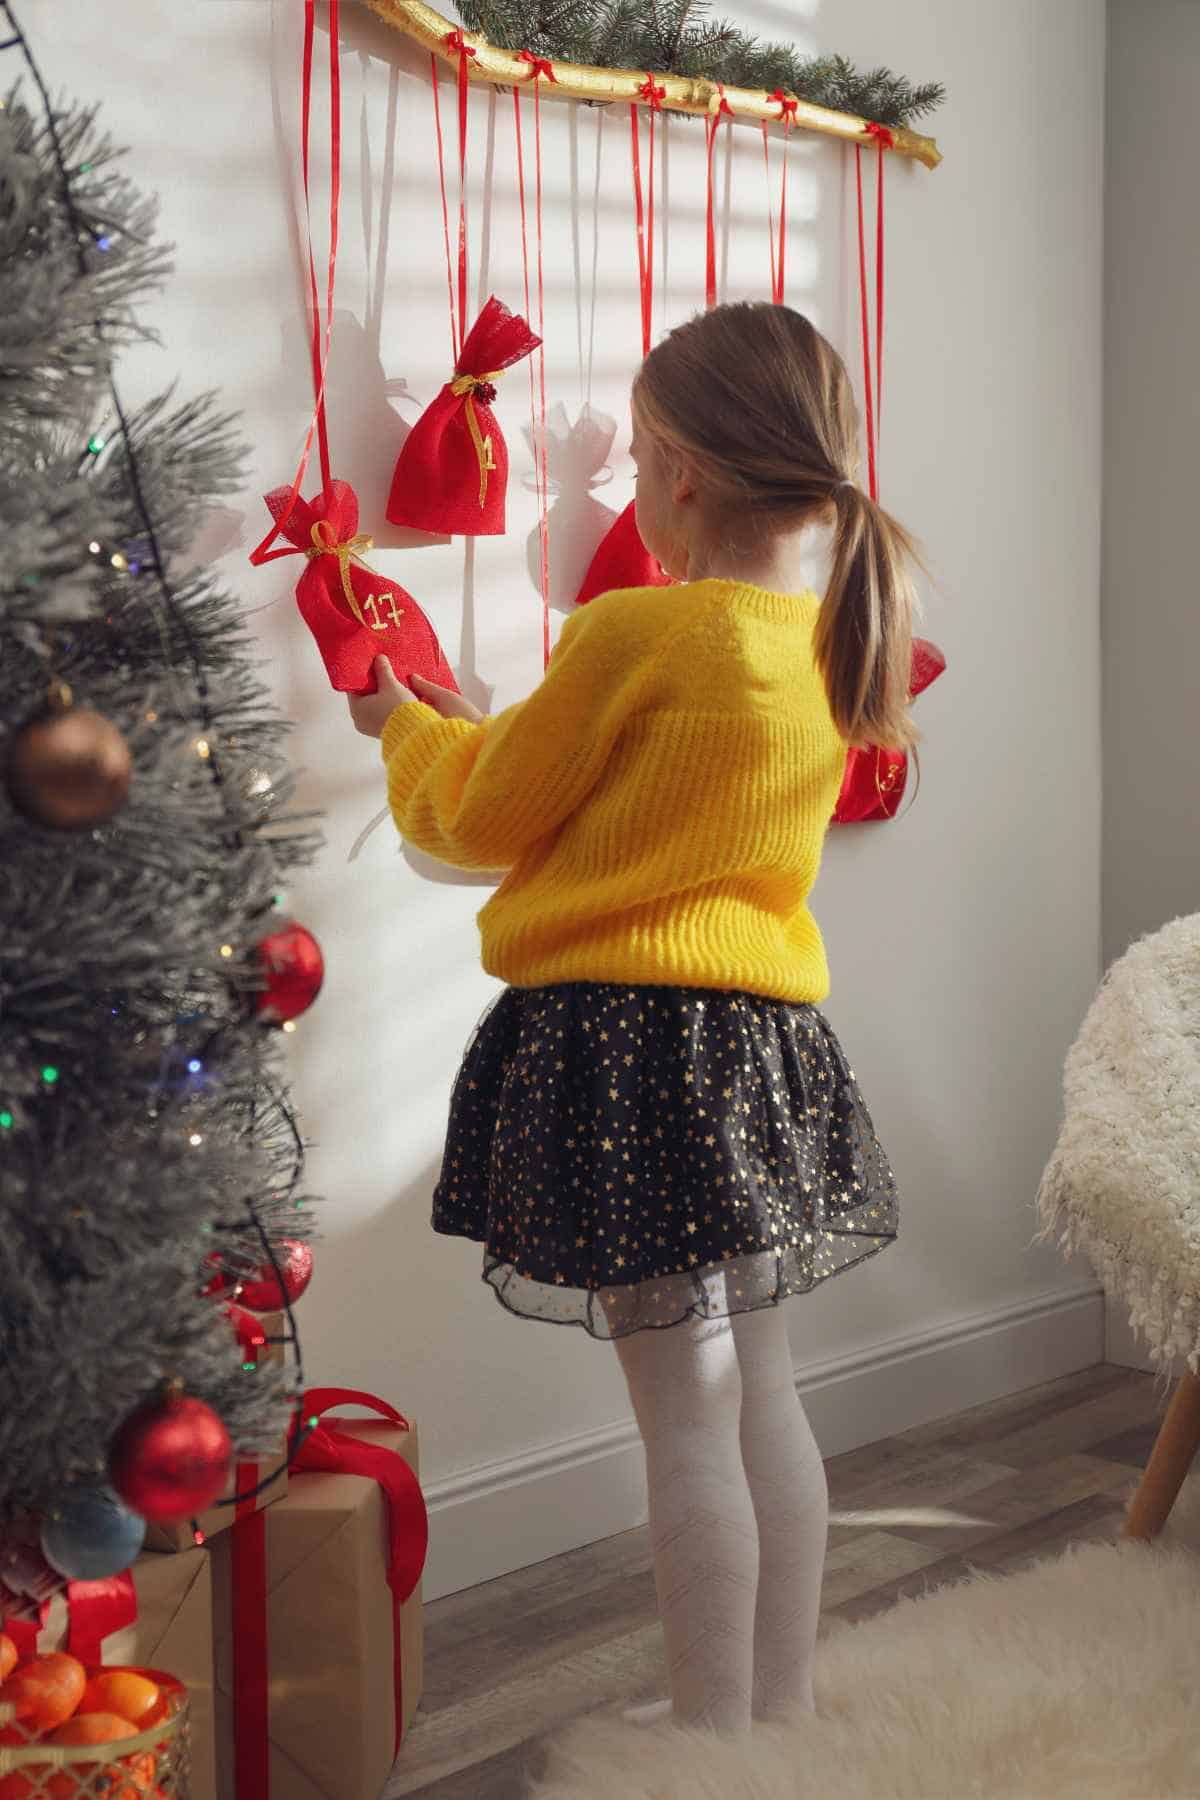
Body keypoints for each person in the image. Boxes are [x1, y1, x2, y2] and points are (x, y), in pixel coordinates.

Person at [349, 301, 920, 1736]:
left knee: (680, 1416)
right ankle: (778, 1707)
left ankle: (708, 1735)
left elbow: (484, 812)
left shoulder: (636, 632)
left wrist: (403, 726)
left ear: (673, 475)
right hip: (759, 1051)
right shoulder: (826, 641)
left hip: (620, 1051)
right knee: (763, 1392)